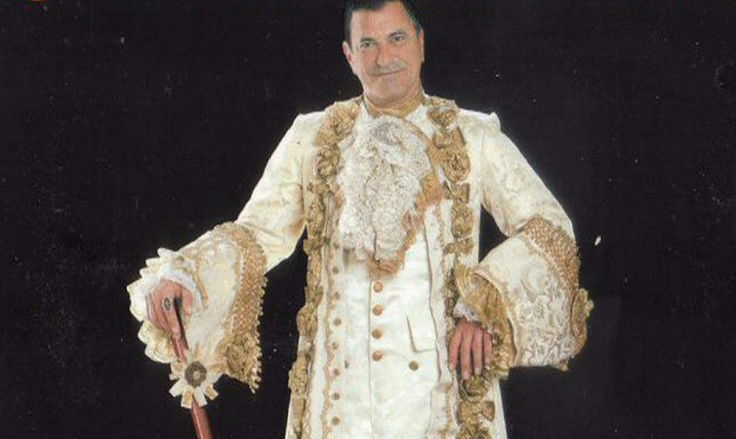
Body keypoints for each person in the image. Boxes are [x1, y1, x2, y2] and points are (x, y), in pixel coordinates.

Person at [126, 1, 594, 437]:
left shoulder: (474, 137)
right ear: (349, 56)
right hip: (337, 396)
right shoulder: (311, 137)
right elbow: (258, 233)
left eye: (396, 39)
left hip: (439, 394)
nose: (383, 57)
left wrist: (486, 307)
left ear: (421, 43)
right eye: (368, 44)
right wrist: (189, 276)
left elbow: (548, 226)